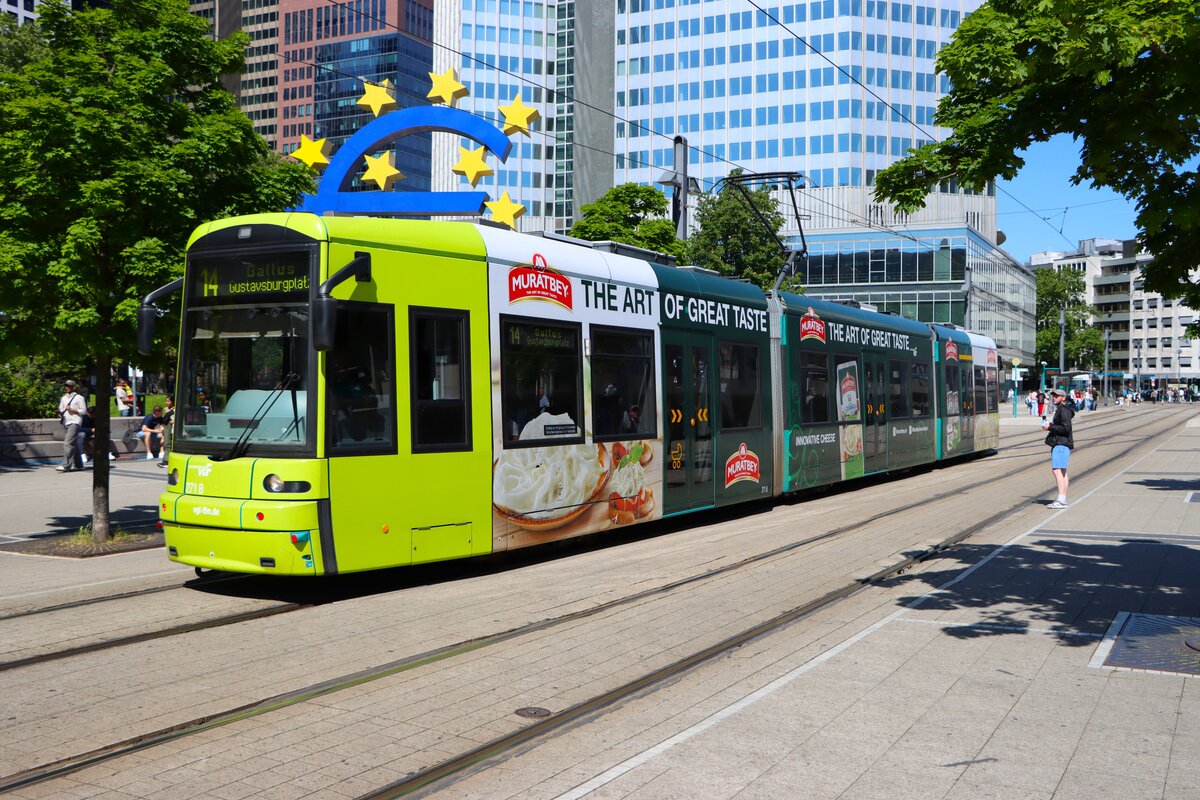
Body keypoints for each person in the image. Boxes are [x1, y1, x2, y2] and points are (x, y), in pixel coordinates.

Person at [1042, 388, 1075, 509]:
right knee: (1062, 472)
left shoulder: (1064, 411)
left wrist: (1050, 427)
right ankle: (1063, 499)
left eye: (1057, 396)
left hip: (1061, 443)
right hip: (1063, 443)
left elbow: (1065, 428)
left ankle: (1061, 499)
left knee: (1056, 470)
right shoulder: (1062, 410)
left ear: (1063, 398)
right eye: (1053, 396)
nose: (1054, 397)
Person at [56, 379, 87, 472]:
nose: (66, 388)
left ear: (74, 388)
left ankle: (66, 465)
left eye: (69, 386)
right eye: (66, 386)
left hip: (75, 422)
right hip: (66, 422)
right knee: (74, 444)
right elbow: (61, 409)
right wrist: (59, 412)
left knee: (68, 443)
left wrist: (74, 410)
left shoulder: (79, 398)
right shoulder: (64, 398)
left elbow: (84, 411)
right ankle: (79, 464)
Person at [157, 397, 174, 467]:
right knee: (166, 444)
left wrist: (167, 412)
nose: (166, 403)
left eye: (168, 401)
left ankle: (166, 461)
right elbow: (163, 420)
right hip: (167, 428)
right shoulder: (169, 410)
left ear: (172, 402)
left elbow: (165, 420)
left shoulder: (173, 410)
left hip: (170, 429)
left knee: (168, 444)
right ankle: (166, 459)